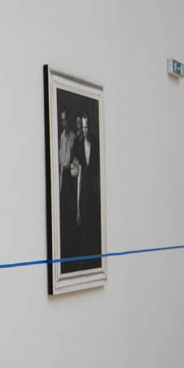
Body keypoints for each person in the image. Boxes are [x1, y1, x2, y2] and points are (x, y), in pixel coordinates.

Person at [74, 114, 101, 270]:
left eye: (87, 127)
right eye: (83, 127)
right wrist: (78, 208)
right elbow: (79, 178)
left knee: (93, 234)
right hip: (83, 197)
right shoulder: (79, 145)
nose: (85, 131)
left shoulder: (96, 144)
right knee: (83, 236)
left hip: (94, 196)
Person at [58, 110, 80, 272]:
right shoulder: (61, 136)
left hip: (71, 177)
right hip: (64, 175)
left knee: (71, 213)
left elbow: (74, 160)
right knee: (64, 212)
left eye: (65, 120)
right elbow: (61, 161)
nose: (63, 123)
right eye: (62, 120)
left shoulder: (73, 137)